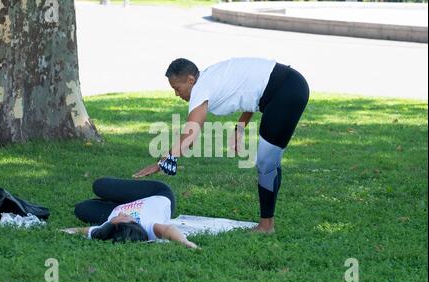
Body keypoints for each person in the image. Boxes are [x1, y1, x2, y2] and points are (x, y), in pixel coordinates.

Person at [133, 57, 310, 234]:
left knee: (266, 163)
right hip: (289, 86)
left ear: (190, 80)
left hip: (285, 91)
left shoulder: (200, 89)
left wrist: (163, 161)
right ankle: (267, 223)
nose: (176, 94)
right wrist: (240, 127)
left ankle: (266, 226)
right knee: (269, 162)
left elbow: (192, 130)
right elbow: (254, 90)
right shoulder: (210, 77)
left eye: (177, 88)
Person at [61, 177, 199, 249]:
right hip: (156, 194)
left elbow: (80, 230)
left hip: (122, 204)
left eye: (114, 219)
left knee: (81, 209)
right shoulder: (148, 225)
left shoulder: (107, 229)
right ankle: (113, 197)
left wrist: (60, 231)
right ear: (134, 222)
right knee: (99, 185)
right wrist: (185, 242)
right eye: (124, 217)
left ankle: (112, 200)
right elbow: (168, 229)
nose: (120, 214)